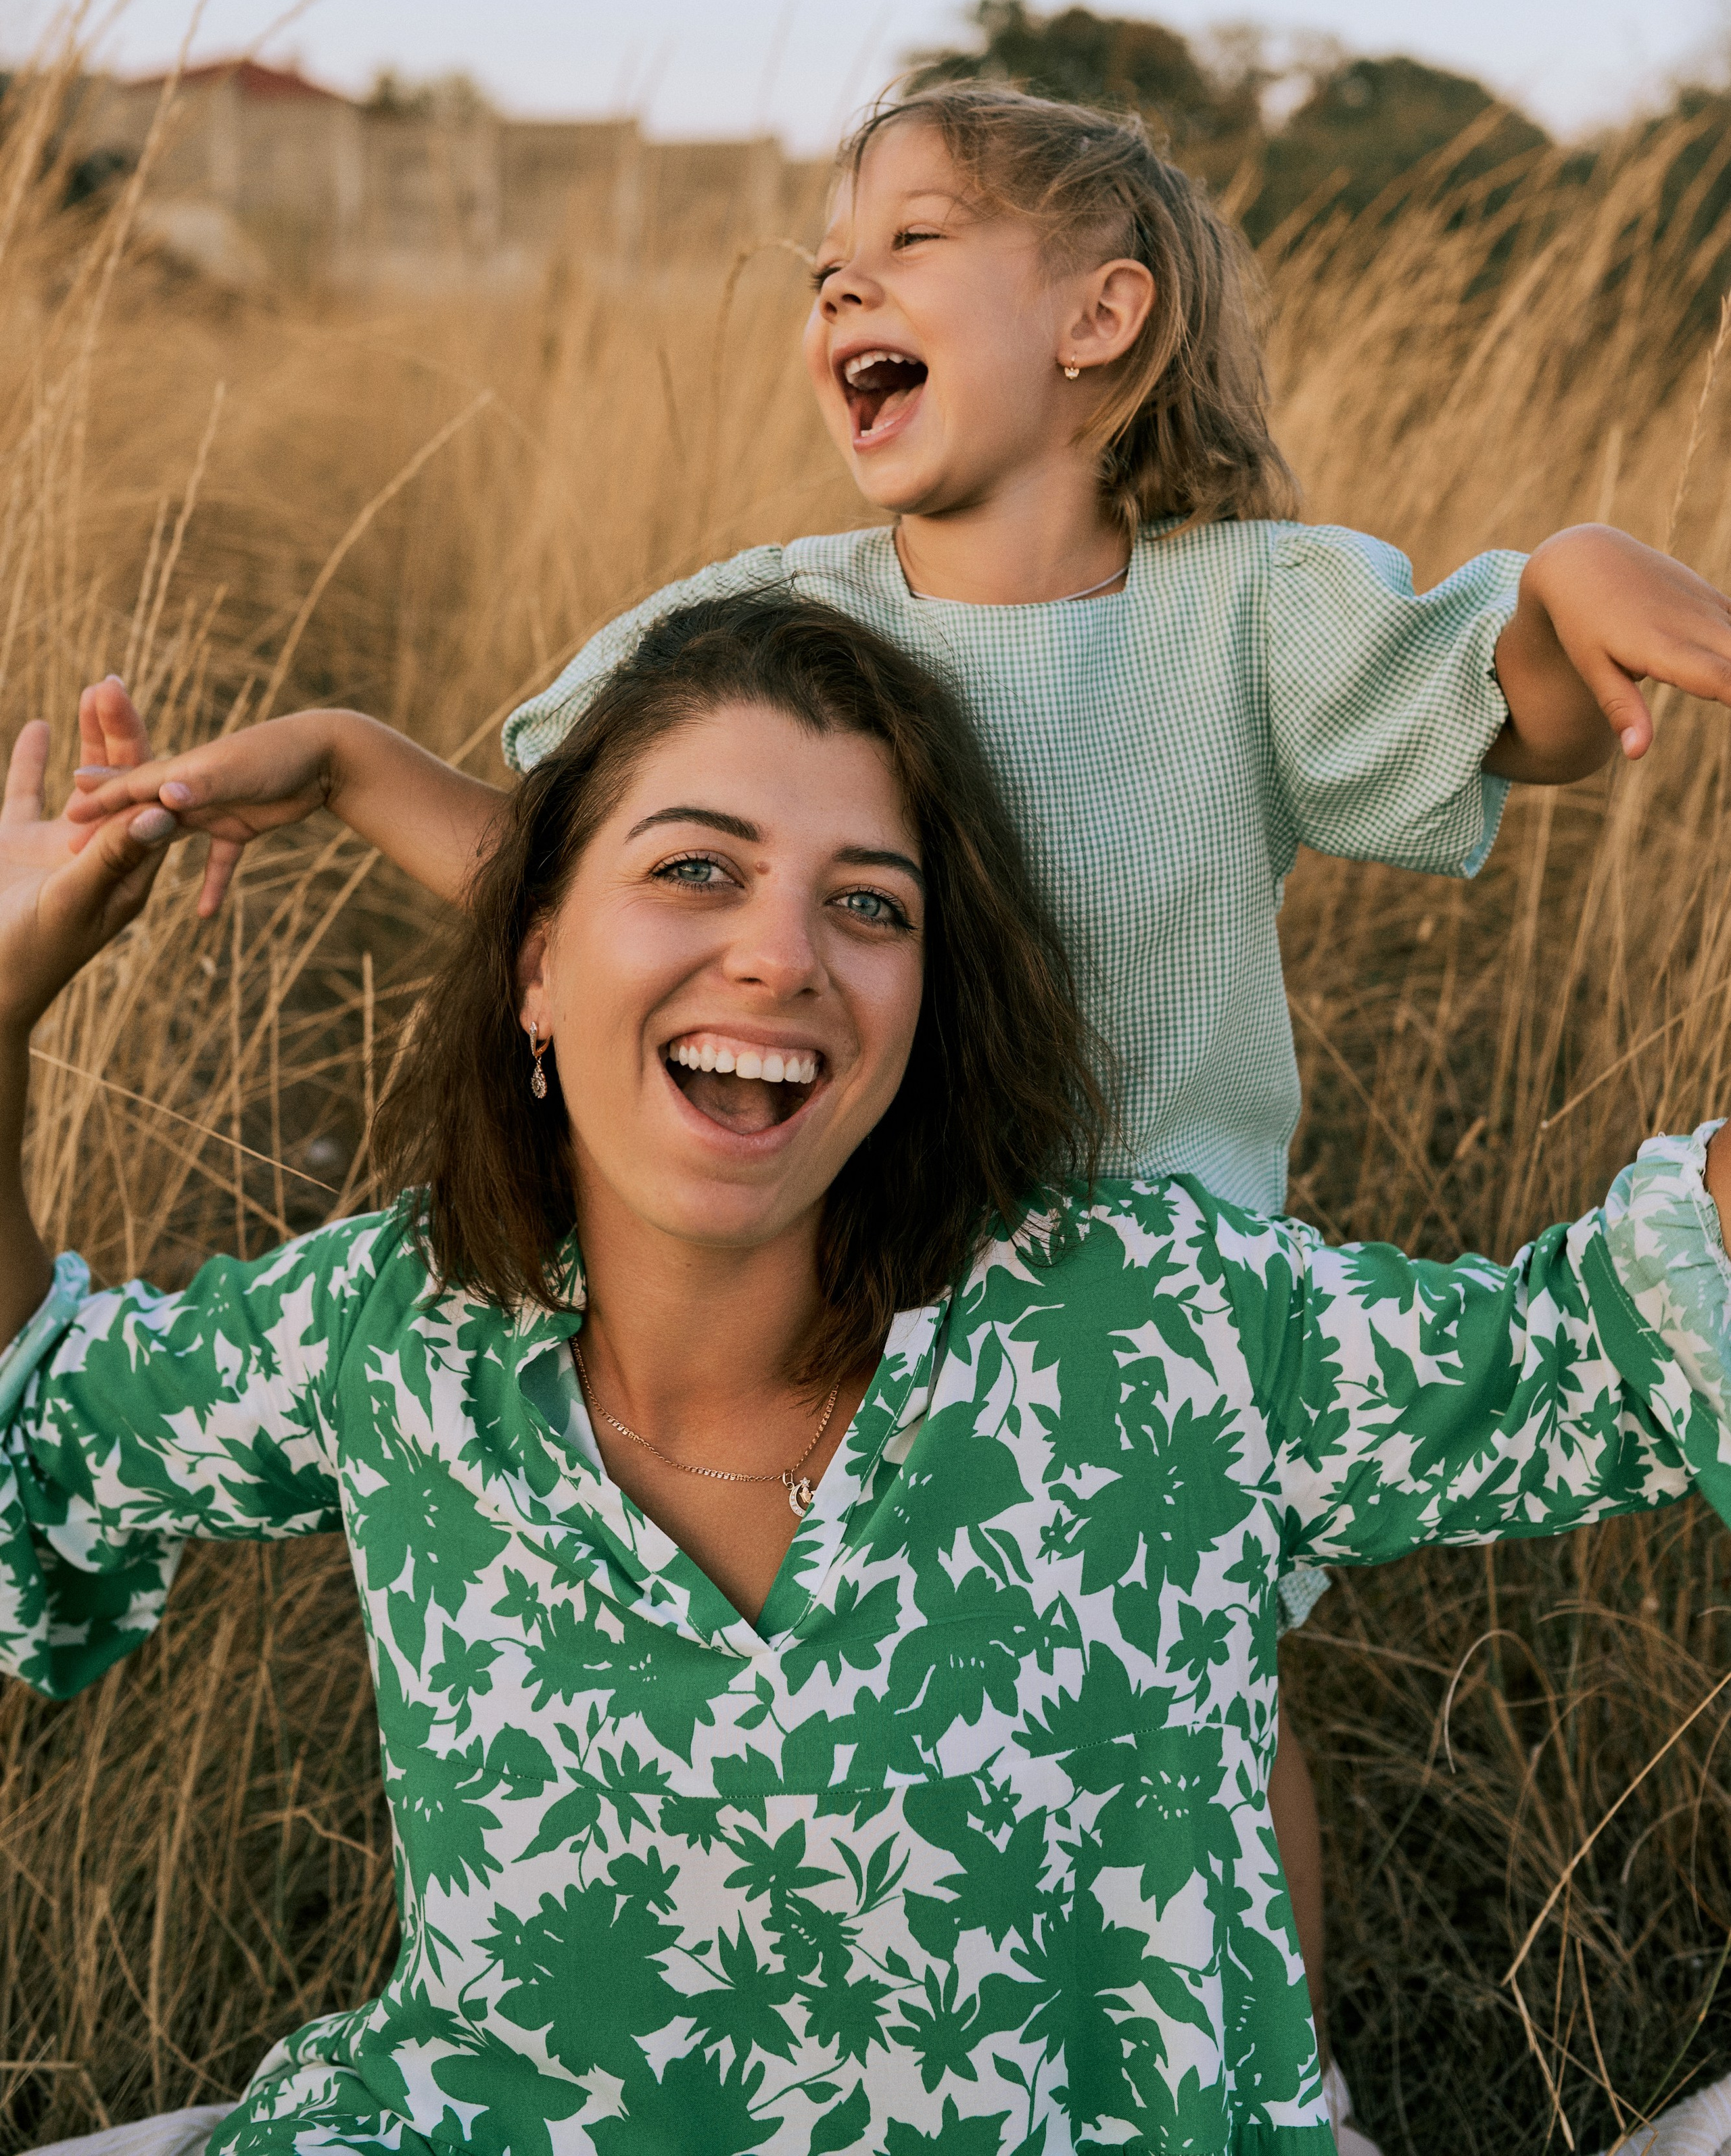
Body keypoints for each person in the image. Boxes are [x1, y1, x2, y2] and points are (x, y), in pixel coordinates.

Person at [62, 85, 1731, 2074]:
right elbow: (569, 883)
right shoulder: (774, 630)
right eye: (827, 264)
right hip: (832, 1291)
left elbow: (1522, 709)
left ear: (1102, 316)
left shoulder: (1248, 615)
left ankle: (1239, 2098)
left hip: (1145, 1383)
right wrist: (346, 758)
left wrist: (1575, 574)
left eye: (914, 239)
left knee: (1195, 1791)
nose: (845, 278)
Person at [11, 592, 1731, 2156]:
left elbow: (1593, 1351)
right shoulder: (399, 1331)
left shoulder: (1144, 1322)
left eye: (866, 905)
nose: (782, 955)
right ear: (535, 958)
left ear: (918, 1008)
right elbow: (52, 1420)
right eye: (695, 868)